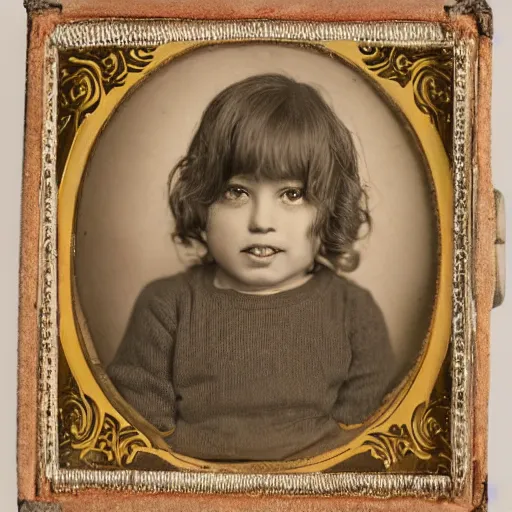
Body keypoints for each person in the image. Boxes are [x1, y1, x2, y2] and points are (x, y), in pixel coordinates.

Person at [107, 73, 395, 462]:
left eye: (292, 194)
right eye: (237, 192)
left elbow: (366, 442)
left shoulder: (354, 313)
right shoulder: (165, 307)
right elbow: (138, 442)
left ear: (329, 210)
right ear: (203, 201)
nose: (261, 221)